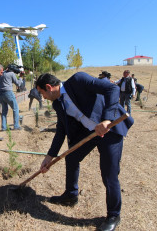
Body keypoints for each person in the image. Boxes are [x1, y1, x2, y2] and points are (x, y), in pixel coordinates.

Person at [36, 72, 134, 231]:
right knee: (72, 157)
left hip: (110, 128)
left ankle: (114, 215)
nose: (43, 97)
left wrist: (107, 119)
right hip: (91, 131)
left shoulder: (78, 80)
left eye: (42, 93)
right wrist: (49, 156)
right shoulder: (57, 104)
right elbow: (60, 131)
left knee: (109, 173)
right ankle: (70, 195)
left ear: (49, 87)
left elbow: (112, 89)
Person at [0, 65, 23, 131]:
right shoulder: (11, 74)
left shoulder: (2, 73)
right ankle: (16, 126)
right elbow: (18, 84)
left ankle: (4, 127)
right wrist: (20, 77)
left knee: (4, 111)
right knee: (15, 108)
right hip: (8, 92)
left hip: (1, 93)